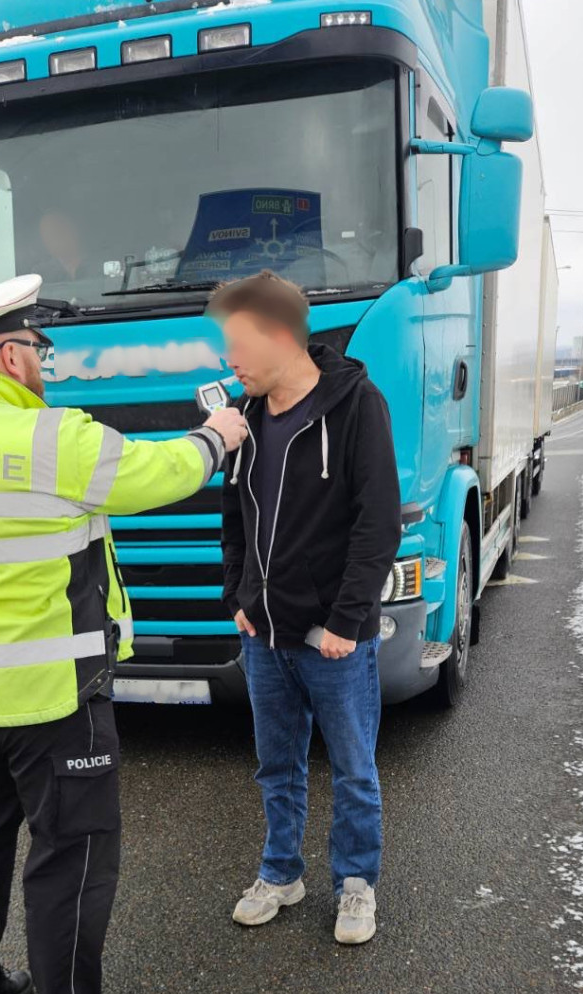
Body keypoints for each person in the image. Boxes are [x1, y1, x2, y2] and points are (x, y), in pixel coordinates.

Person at [0, 274, 247, 994]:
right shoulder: (53, 438)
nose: (48, 368)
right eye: (40, 352)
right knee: (72, 849)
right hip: (54, 695)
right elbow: (160, 476)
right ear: (9, 356)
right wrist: (219, 434)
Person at [211, 271, 401, 945]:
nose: (227, 360)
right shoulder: (247, 418)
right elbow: (234, 518)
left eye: (236, 345)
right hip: (264, 634)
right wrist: (239, 596)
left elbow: (377, 524)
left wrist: (347, 622)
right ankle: (281, 872)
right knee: (276, 764)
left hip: (332, 636)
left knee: (352, 767)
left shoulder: (355, 405)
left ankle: (355, 884)